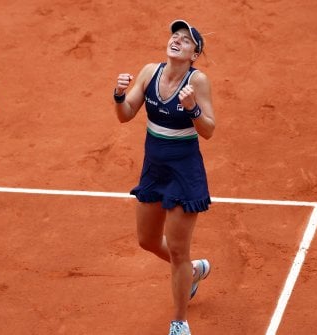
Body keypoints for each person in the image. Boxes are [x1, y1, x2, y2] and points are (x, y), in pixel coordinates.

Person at [113, 19, 215, 335]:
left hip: (185, 174)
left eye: (185, 40)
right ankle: (195, 271)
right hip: (154, 171)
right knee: (147, 241)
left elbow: (209, 130)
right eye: (175, 36)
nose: (177, 40)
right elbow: (125, 115)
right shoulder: (149, 72)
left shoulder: (197, 81)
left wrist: (193, 108)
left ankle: (179, 322)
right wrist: (118, 95)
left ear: (194, 54)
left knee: (178, 252)